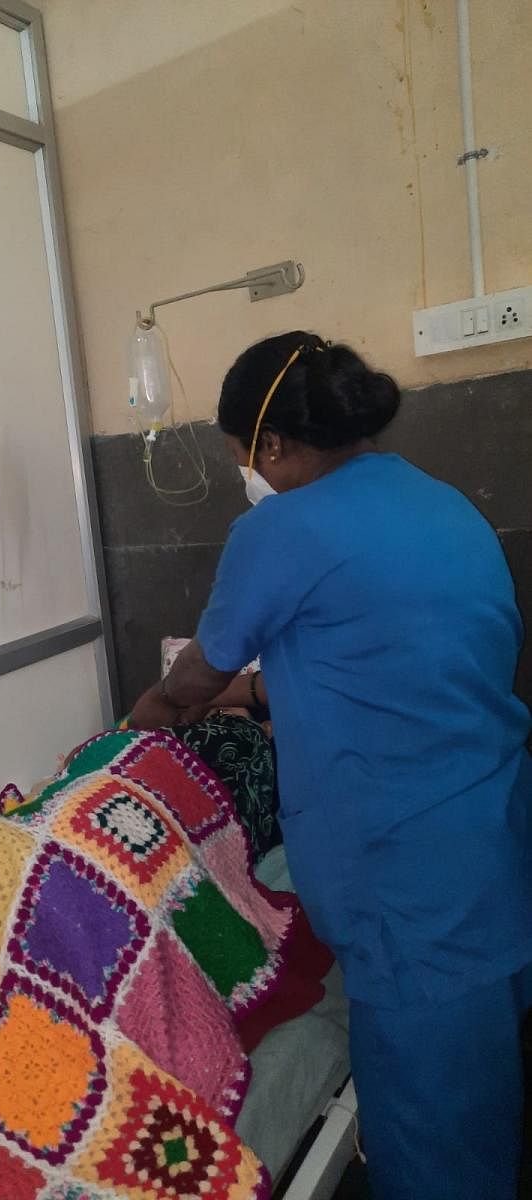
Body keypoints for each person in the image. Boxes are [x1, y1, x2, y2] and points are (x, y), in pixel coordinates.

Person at [130, 330, 532, 1199]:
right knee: (481, 1090)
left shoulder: (284, 529)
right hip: (490, 839)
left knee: (432, 1135)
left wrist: (146, 723)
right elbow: (381, 670)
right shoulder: (441, 504)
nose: (252, 476)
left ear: (270, 445)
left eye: (245, 457)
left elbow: (200, 667)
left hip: (406, 876)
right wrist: (246, 702)